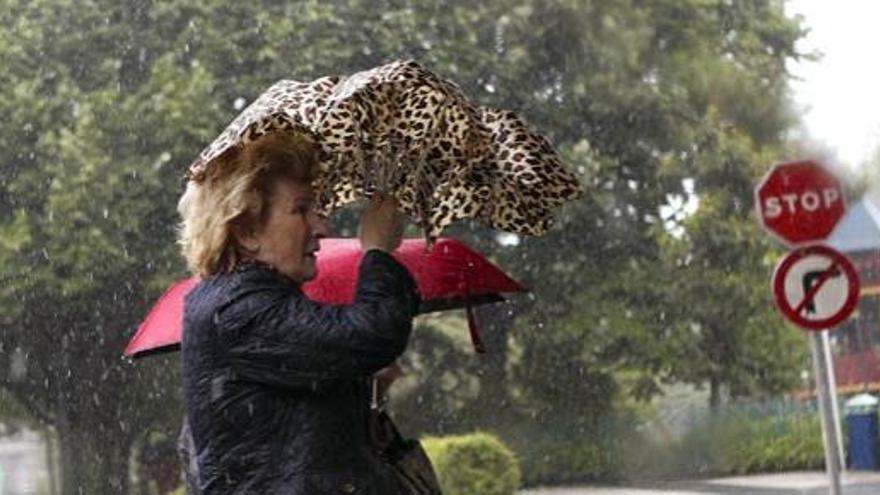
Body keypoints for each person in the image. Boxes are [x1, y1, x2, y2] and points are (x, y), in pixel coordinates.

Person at [177, 130, 419, 494]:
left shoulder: (256, 302)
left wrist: (362, 386)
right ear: (246, 232)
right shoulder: (239, 309)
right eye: (301, 209)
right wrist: (377, 249)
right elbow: (373, 333)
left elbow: (305, 437)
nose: (322, 227)